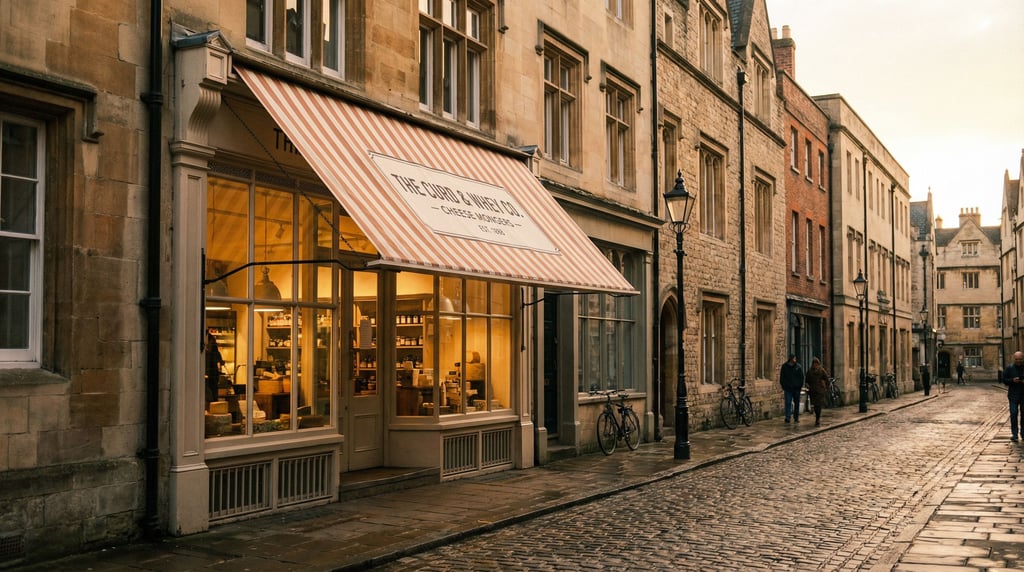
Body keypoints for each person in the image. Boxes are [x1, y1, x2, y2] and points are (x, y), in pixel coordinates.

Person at [1001, 351, 1024, 442]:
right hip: (1013, 395)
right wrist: (1012, 380)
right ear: (1014, 359)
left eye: (1020, 359)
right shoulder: (1009, 368)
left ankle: (1023, 433)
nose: (1018, 361)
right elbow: (1004, 380)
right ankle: (1014, 434)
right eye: (1017, 359)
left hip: (1023, 395)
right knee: (1013, 414)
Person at [779, 354, 804, 423]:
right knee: (788, 402)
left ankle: (796, 417)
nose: (795, 360)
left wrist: (799, 386)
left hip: (796, 389)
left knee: (796, 403)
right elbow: (782, 377)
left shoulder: (798, 367)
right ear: (791, 359)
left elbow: (801, 377)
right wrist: (784, 386)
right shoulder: (784, 367)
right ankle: (788, 417)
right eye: (794, 358)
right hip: (788, 389)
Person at [804, 357, 828, 426]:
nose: (815, 365)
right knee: (815, 405)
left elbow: (826, 379)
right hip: (813, 391)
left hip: (820, 391)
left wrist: (825, 386)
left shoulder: (821, 371)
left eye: (816, 364)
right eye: (814, 364)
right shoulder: (810, 371)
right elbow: (807, 380)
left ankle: (818, 419)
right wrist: (807, 385)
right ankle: (817, 417)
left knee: (818, 405)